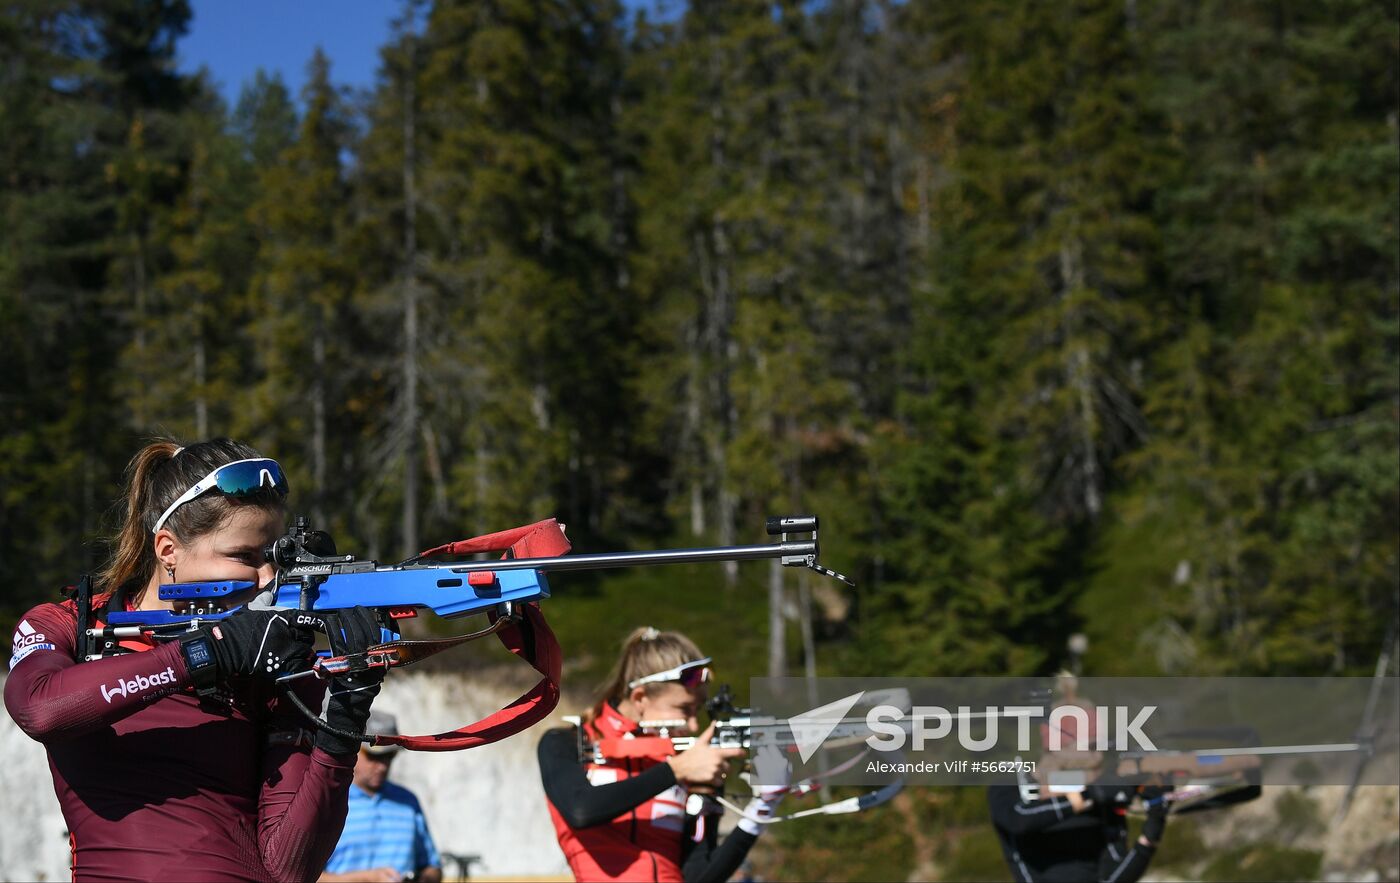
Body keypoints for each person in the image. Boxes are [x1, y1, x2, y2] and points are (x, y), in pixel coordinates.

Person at [4, 437, 385, 881]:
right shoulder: (71, 624)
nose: (267, 579)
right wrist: (211, 651)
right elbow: (40, 708)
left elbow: (288, 870)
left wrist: (344, 714)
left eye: (274, 559)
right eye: (244, 556)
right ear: (168, 550)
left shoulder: (277, 659)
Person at [538, 627, 787, 883]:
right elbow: (581, 810)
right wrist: (677, 770)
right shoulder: (565, 742)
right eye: (684, 708)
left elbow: (697, 876)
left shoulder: (688, 760)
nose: (693, 725)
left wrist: (762, 808)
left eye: (698, 710)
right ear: (640, 698)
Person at [987, 677, 1169, 882]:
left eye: (1093, 738)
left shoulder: (1102, 795)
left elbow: (1114, 876)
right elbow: (1019, 819)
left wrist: (1153, 825)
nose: (1092, 746)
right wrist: (1088, 794)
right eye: (1078, 735)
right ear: (1048, 736)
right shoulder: (1013, 787)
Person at [320, 712, 442, 883]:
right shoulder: (328, 802)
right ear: (353, 749)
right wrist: (365, 879)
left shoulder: (408, 801)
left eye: (389, 757)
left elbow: (432, 867)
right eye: (374, 757)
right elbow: (301, 876)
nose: (382, 766)